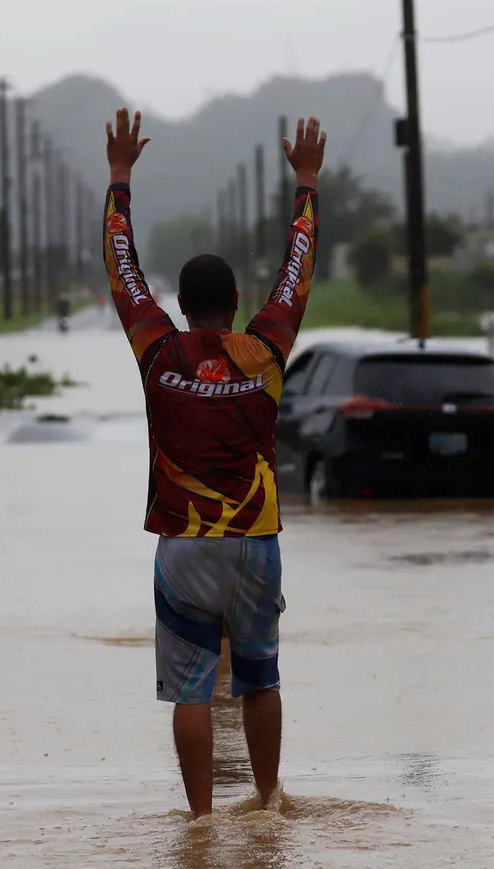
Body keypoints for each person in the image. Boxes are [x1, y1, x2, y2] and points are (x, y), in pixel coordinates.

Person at [100, 107, 326, 818]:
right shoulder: (265, 350)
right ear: (234, 305)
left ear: (178, 304)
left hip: (183, 544)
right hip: (256, 543)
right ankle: (266, 802)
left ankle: (199, 826)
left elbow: (120, 265)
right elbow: (299, 269)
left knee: (192, 690)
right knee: (259, 678)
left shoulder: (156, 349)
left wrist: (120, 176)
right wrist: (306, 184)